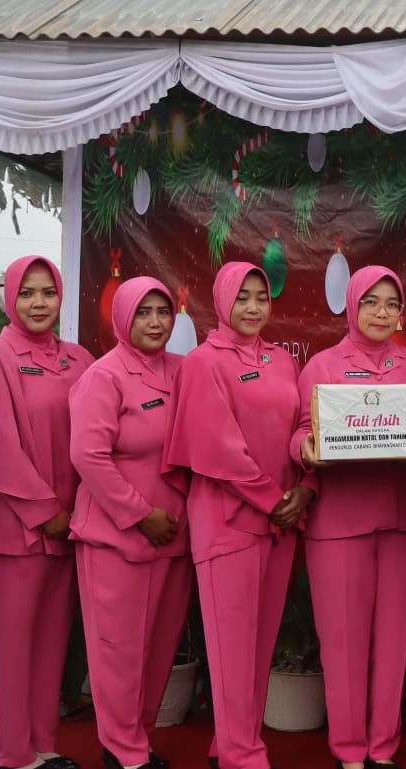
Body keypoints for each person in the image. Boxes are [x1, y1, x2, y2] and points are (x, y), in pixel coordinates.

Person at [162, 262, 309, 769]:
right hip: (228, 522)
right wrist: (275, 499)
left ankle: (231, 744)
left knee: (258, 647)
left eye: (261, 297)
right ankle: (242, 755)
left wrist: (305, 484)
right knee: (232, 649)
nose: (253, 307)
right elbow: (218, 449)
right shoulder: (203, 363)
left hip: (280, 522)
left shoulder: (281, 360)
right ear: (223, 300)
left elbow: (301, 426)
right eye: (242, 297)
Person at [293, 266, 406, 769]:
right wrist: (306, 448)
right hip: (337, 523)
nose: (381, 313)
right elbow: (300, 430)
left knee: (393, 643)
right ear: (351, 306)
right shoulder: (323, 365)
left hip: (400, 519)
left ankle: (383, 749)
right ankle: (349, 751)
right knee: (343, 643)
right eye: (370, 302)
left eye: (391, 303)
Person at [69, 276, 192, 769]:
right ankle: (123, 752)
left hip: (174, 537)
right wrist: (141, 515)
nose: (155, 322)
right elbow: (88, 455)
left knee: (158, 651)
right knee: (118, 652)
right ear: (123, 317)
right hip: (116, 538)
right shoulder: (104, 376)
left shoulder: (184, 370)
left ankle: (138, 742)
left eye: (163, 312)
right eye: (143, 312)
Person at [0, 255, 96, 769]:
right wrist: (44, 509)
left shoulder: (80, 359)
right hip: (18, 528)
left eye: (48, 292)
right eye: (27, 293)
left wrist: (82, 509)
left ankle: (44, 743)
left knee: (54, 640)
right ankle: (13, 751)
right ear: (10, 297)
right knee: (13, 645)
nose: (38, 303)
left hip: (73, 525)